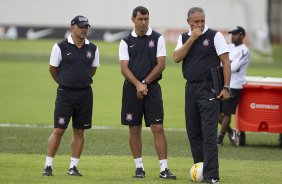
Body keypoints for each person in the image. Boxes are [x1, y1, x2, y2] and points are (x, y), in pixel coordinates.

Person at [173, 7, 231, 184]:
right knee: (193, 133)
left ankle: (212, 176)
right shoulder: (184, 38)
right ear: (188, 22)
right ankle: (200, 170)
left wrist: (226, 87)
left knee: (209, 134)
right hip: (190, 88)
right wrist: (192, 38)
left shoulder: (215, 36)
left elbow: (226, 62)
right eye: (196, 21)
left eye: (202, 21)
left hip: (209, 89)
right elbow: (176, 58)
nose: (199, 24)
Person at [118, 6, 176, 180]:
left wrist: (144, 83)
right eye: (140, 19)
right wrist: (137, 84)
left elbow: (161, 64)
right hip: (131, 89)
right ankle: (139, 168)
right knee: (134, 129)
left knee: (158, 128)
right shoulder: (125, 41)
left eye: (146, 19)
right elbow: (124, 68)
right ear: (133, 19)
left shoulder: (157, 38)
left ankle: (164, 169)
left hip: (152, 88)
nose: (143, 23)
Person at [42, 15, 100, 176]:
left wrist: (80, 81)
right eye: (81, 27)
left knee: (79, 131)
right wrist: (64, 82)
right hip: (65, 94)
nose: (84, 30)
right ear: (72, 27)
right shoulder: (60, 47)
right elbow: (53, 69)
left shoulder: (93, 48)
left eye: (86, 27)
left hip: (85, 94)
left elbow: (93, 70)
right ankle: (48, 165)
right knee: (59, 130)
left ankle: (73, 167)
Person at [217, 26, 250, 146]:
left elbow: (234, 67)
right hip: (224, 83)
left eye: (235, 34)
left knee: (226, 113)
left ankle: (219, 139)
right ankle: (231, 132)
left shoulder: (244, 51)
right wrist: (227, 63)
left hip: (235, 85)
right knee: (215, 111)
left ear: (242, 36)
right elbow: (221, 62)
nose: (232, 36)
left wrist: (227, 63)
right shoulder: (229, 47)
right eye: (232, 34)